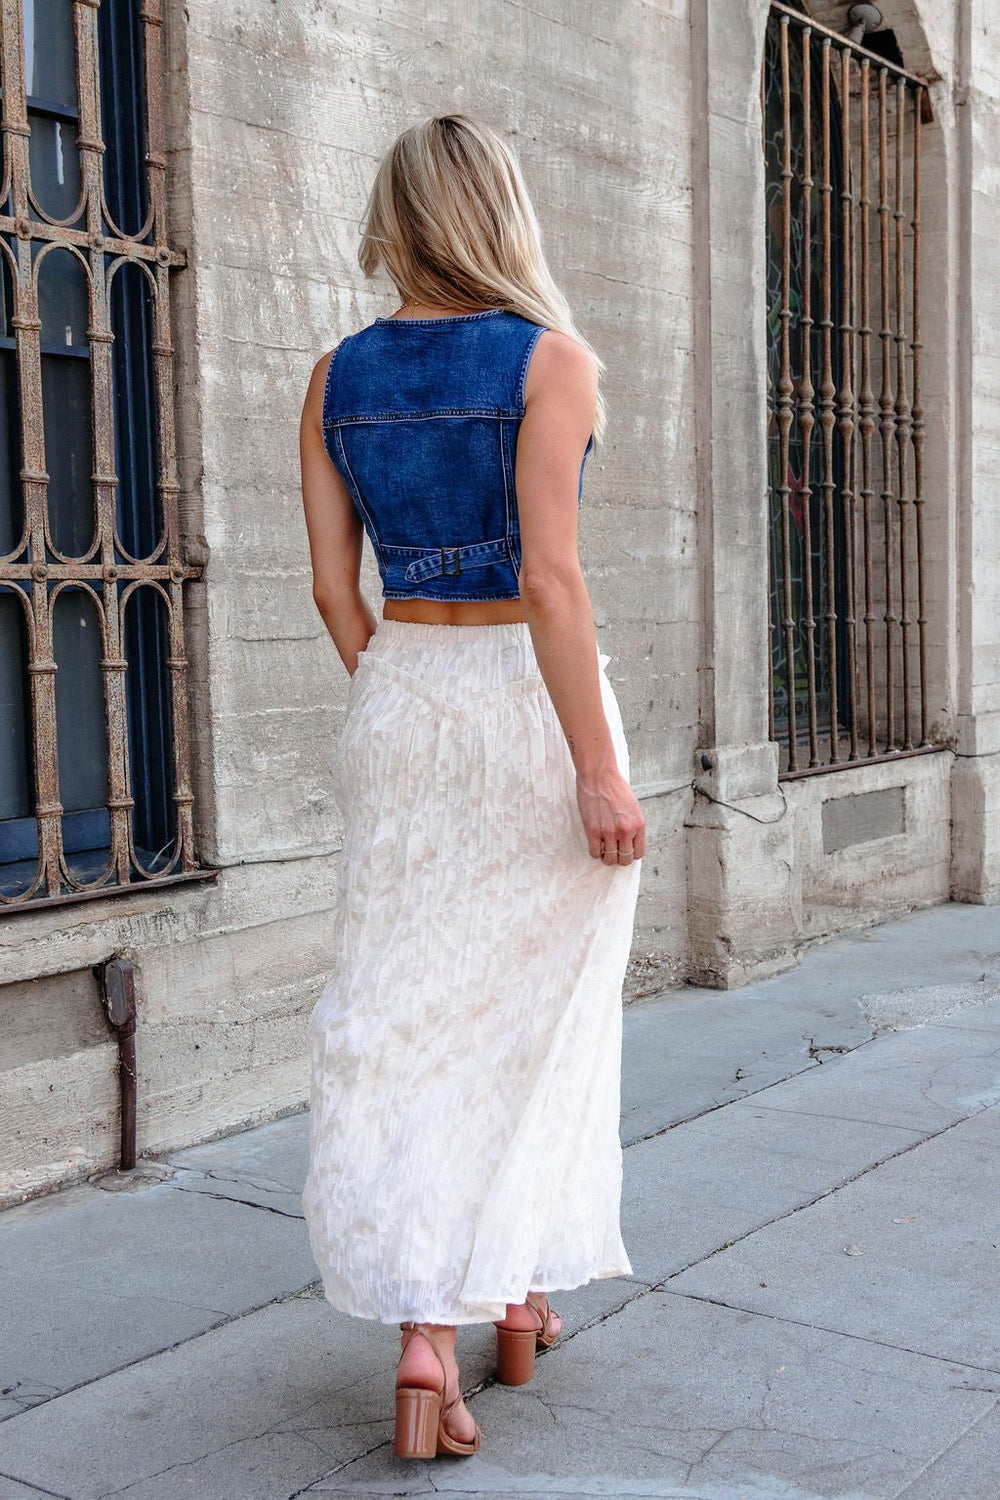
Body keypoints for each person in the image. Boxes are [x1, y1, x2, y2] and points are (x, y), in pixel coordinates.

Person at [298, 113, 645, 1461]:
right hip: (527, 702)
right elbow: (553, 583)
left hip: (405, 692)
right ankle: (484, 1301)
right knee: (537, 1008)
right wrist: (597, 771)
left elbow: (336, 588)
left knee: (402, 1004)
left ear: (400, 216)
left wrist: (397, 690)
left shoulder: (333, 375)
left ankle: (452, 1320)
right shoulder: (552, 363)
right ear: (500, 211)